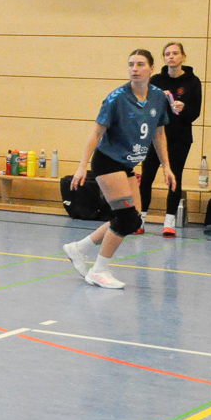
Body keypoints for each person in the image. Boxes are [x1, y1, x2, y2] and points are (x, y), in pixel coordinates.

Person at [63, 49, 175, 289]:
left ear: (151, 68)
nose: (135, 69)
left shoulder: (158, 97)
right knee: (125, 217)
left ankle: (79, 248)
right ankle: (98, 270)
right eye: (131, 64)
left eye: (140, 64)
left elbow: (158, 134)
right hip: (108, 161)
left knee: (134, 220)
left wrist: (167, 166)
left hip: (127, 163)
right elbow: (96, 133)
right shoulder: (116, 98)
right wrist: (82, 166)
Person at [138, 42, 203, 237]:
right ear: (163, 58)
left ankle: (169, 222)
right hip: (155, 136)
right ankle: (139, 220)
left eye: (175, 53)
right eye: (167, 54)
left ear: (183, 57)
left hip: (179, 138)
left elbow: (195, 112)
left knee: (174, 177)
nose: (171, 57)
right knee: (146, 177)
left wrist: (183, 109)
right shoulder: (156, 80)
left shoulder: (193, 81)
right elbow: (144, 107)